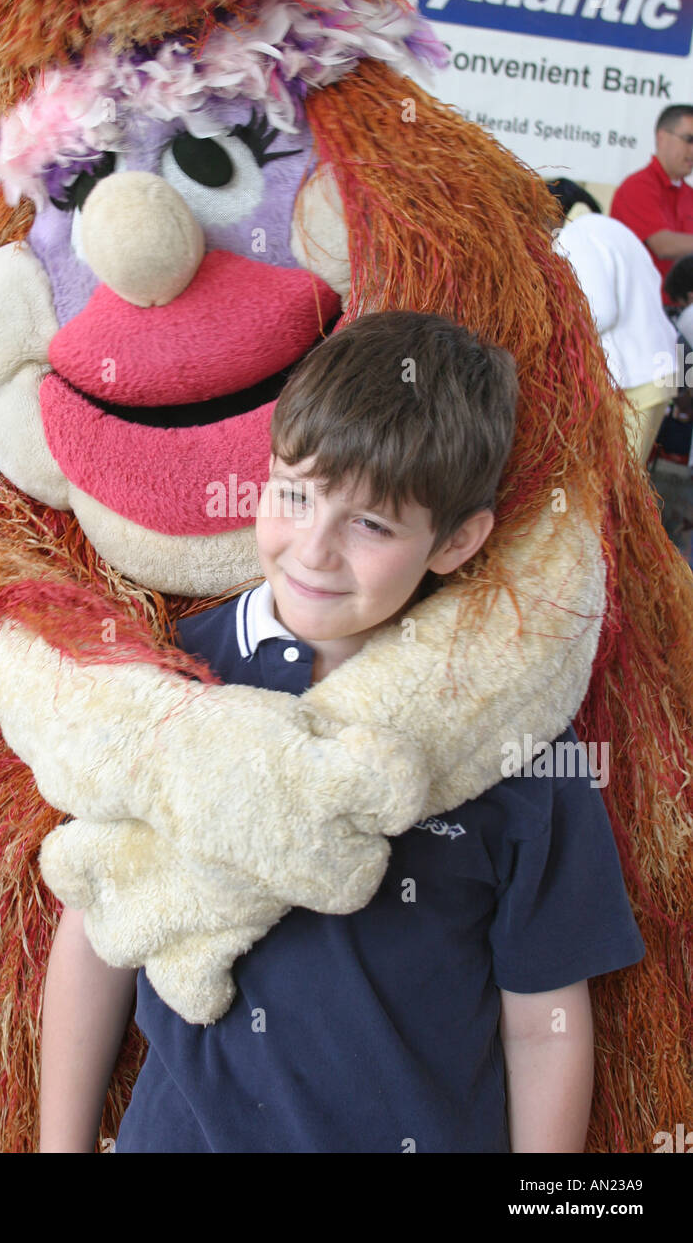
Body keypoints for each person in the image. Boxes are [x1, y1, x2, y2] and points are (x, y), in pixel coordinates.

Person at [38, 309, 643, 1153]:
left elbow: (544, 1020)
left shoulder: (523, 741)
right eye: (295, 494)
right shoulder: (173, 681)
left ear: (457, 540)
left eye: (371, 524)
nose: (313, 551)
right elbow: (100, 926)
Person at [552, 203, 679, 465]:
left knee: (614, 488)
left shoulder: (575, 235)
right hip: (657, 368)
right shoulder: (609, 229)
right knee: (625, 482)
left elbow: (600, 310)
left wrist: (552, 332)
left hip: (635, 380)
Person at [610, 104, 693, 298]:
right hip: (643, 309)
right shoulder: (637, 186)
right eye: (689, 139)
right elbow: (663, 245)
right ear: (661, 137)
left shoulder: (689, 194)